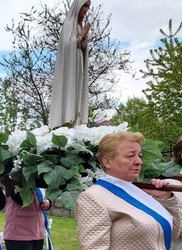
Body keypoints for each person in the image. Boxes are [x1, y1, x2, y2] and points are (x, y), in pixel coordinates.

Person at [76, 131, 181, 250]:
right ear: (107, 161)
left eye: (139, 155)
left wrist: (165, 198)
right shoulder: (93, 197)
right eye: (130, 155)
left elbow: (173, 234)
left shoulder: (142, 192)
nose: (139, 161)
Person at [48, 0, 91, 129]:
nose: (86, 9)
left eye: (88, 7)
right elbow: (68, 44)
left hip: (77, 63)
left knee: (77, 89)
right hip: (69, 67)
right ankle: (65, 119)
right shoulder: (68, 25)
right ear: (77, 7)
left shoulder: (78, 25)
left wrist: (83, 39)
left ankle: (75, 121)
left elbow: (81, 46)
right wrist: (81, 36)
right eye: (84, 6)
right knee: (69, 87)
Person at [3, 185, 52, 250]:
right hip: (18, 232)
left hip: (37, 231)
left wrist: (47, 202)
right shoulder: (13, 178)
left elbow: (45, 194)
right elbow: (20, 198)